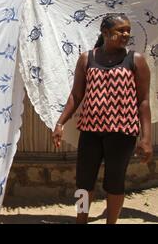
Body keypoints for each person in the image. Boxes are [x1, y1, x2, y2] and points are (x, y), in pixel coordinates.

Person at [52, 13, 153, 224]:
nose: (126, 34)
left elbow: (143, 102)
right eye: (120, 30)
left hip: (122, 133)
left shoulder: (136, 61)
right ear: (105, 33)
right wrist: (60, 122)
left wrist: (145, 139)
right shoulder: (87, 59)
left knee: (115, 182)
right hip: (90, 131)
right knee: (83, 182)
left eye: (128, 30)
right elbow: (76, 95)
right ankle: (81, 220)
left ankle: (111, 223)